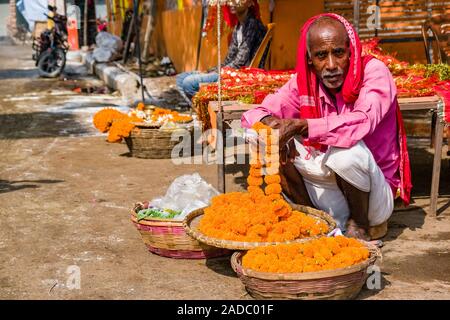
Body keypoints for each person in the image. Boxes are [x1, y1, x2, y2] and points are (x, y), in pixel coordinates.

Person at [241, 13, 412, 241]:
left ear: (350, 51)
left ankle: (360, 226)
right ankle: (314, 219)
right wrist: (275, 128)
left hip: (372, 198)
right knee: (260, 136)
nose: (331, 65)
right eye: (322, 55)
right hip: (328, 190)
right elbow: (254, 114)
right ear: (310, 59)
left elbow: (362, 121)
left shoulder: (374, 73)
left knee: (346, 151)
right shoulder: (305, 82)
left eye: (338, 53)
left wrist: (302, 126)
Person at [176, 0, 267, 102]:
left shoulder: (252, 24)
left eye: (238, 0)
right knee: (180, 78)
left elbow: (240, 63)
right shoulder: (239, 26)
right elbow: (229, 58)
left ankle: (204, 112)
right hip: (229, 70)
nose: (232, 3)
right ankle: (202, 112)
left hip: (240, 75)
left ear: (250, 3)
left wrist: (218, 71)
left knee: (188, 82)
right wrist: (211, 70)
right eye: (231, 1)